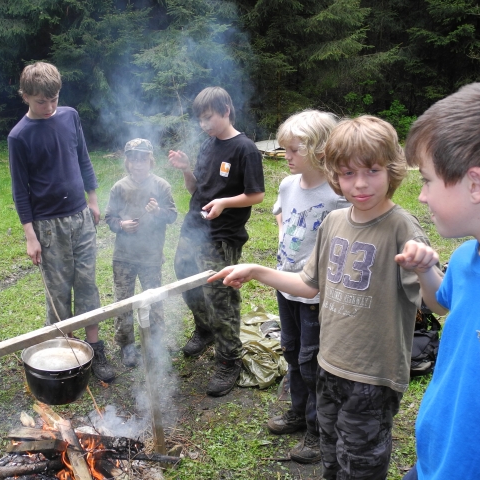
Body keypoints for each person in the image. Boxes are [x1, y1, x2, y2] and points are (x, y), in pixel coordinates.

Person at [209, 116, 442, 479]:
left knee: (361, 463)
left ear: (393, 169)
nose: (360, 183)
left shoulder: (402, 228)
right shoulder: (334, 221)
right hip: (328, 365)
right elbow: (308, 284)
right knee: (331, 456)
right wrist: (256, 270)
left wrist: (426, 268)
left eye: (372, 171)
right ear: (335, 174)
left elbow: (440, 303)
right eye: (348, 174)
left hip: (373, 378)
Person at [7, 61, 115, 382]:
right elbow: (19, 190)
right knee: (57, 291)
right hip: (48, 225)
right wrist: (30, 234)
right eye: (42, 101)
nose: (50, 107)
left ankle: (95, 348)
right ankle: (64, 355)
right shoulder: (19, 136)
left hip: (81, 217)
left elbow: (83, 157)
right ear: (25, 96)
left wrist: (92, 199)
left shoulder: (69, 117)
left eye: (54, 99)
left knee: (87, 282)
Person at [397, 82, 480, 480]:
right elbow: (441, 307)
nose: (422, 197)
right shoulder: (467, 257)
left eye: (427, 180)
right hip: (436, 456)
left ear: (475, 184)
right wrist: (425, 272)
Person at [168, 86, 265, 397]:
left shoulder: (245, 148)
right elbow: (197, 188)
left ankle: (229, 359)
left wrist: (224, 203)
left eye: (208, 117)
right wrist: (185, 170)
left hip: (223, 236)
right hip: (193, 227)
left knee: (219, 295)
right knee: (185, 278)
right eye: (200, 119)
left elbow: (256, 194)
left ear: (225, 110)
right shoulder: (208, 145)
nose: (203, 124)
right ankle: (205, 329)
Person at [268, 110, 350, 464]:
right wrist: (283, 234)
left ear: (319, 150)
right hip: (286, 286)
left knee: (312, 361)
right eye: (284, 149)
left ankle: (318, 433)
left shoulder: (336, 194)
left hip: (316, 293)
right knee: (290, 352)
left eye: (293, 150)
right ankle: (298, 413)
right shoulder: (288, 184)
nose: (286, 157)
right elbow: (280, 212)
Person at [105, 138, 177, 367]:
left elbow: (172, 216)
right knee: (124, 302)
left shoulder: (162, 186)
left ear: (150, 160)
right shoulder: (120, 187)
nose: (138, 164)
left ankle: (155, 344)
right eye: (134, 159)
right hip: (124, 257)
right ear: (127, 161)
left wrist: (157, 211)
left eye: (143, 158)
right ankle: (126, 346)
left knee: (154, 301)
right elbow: (109, 218)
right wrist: (121, 225)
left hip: (151, 256)